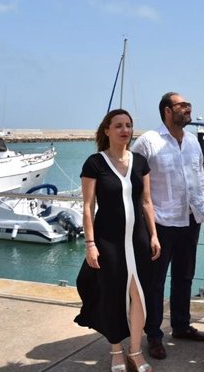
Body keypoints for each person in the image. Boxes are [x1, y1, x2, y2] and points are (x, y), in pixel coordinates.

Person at [74, 109, 161, 372]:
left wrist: (154, 235)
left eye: (129, 125)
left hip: (138, 240)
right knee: (112, 296)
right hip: (107, 241)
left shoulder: (141, 161)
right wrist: (90, 244)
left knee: (140, 296)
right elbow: (88, 207)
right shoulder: (95, 164)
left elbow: (146, 201)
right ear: (107, 131)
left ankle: (135, 350)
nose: (125, 130)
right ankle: (116, 350)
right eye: (119, 125)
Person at [131, 92, 204, 360]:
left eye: (190, 104)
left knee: (185, 276)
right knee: (155, 281)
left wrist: (202, 203)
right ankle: (153, 334)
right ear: (167, 110)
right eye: (183, 105)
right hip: (161, 222)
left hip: (189, 218)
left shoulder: (192, 142)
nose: (189, 109)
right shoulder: (147, 142)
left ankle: (181, 325)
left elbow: (200, 175)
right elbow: (135, 183)